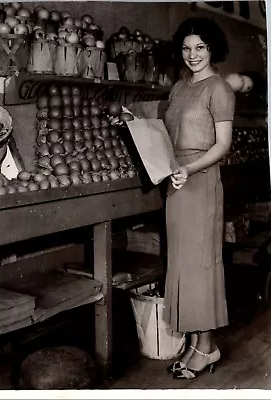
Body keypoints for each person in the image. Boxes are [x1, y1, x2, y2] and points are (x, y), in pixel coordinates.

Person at [162, 17, 236, 379]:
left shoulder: (219, 88)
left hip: (201, 180)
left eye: (200, 48)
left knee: (202, 263)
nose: (193, 55)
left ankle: (207, 347)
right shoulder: (178, 88)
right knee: (182, 263)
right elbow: (169, 134)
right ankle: (194, 342)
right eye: (187, 48)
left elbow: (222, 145)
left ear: (212, 50)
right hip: (176, 183)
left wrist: (189, 169)